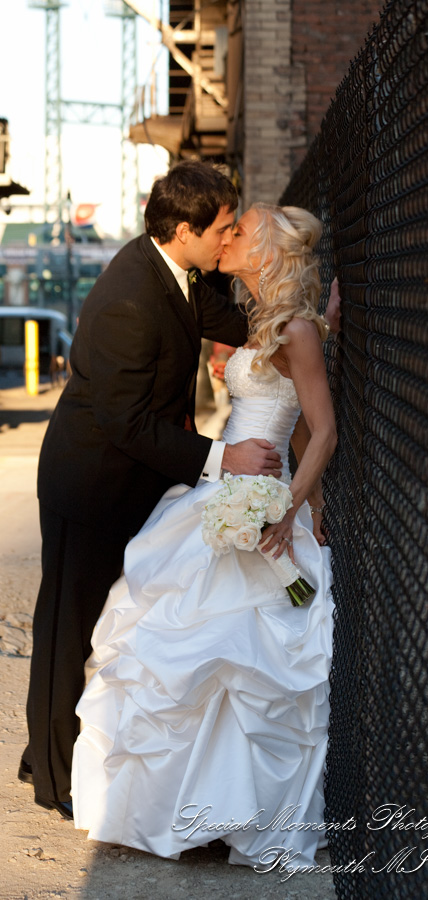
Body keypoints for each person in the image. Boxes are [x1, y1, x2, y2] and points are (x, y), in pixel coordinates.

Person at [71, 203, 337, 868]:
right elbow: (290, 420)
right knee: (176, 653)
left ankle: (230, 817)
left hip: (263, 503)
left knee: (238, 662)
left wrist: (292, 507)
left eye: (239, 231)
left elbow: (321, 430)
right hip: (223, 493)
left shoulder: (295, 329)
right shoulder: (263, 319)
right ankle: (177, 812)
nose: (228, 237)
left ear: (267, 250)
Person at [20, 162, 283, 820]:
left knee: (118, 623)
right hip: (89, 485)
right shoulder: (130, 299)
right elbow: (126, 423)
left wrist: (304, 318)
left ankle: (49, 748)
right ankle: (52, 778)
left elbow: (237, 325)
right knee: (67, 631)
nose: (228, 239)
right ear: (185, 230)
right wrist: (225, 457)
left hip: (136, 482)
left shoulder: (176, 269)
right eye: (222, 229)